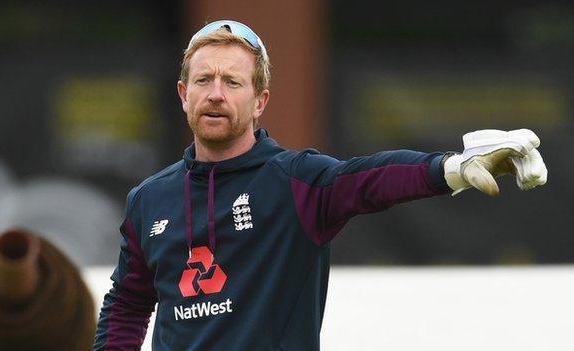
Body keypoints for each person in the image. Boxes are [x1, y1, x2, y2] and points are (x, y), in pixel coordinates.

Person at [93, 20, 547, 351]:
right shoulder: (148, 200)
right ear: (183, 94)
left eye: (232, 81)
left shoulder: (296, 181)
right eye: (203, 80)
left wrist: (449, 168)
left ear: (259, 102)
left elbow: (371, 179)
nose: (216, 93)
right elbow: (128, 304)